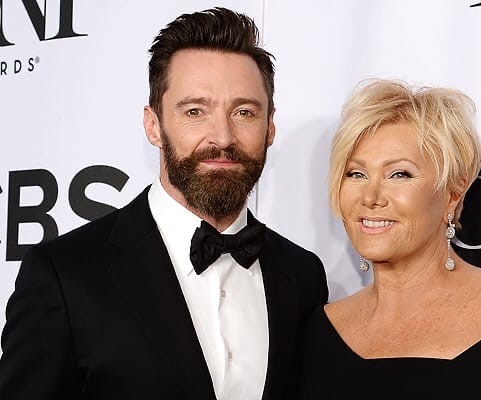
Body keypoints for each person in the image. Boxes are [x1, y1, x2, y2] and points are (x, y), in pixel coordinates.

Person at [0, 7, 328, 400]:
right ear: (153, 125)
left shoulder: (303, 275)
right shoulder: (65, 275)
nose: (223, 137)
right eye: (195, 111)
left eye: (244, 112)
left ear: (270, 127)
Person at [298, 79, 481, 399]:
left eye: (399, 174)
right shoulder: (317, 333)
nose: (370, 197)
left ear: (453, 193)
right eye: (356, 173)